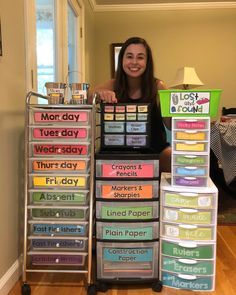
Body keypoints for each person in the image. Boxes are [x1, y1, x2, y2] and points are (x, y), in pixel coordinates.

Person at [90, 36, 171, 172]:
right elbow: (88, 95)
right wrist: (99, 94)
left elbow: (169, 124)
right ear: (122, 60)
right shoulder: (112, 84)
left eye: (140, 57)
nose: (134, 62)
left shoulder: (158, 86)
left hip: (154, 152)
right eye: (129, 56)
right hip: (116, 151)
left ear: (147, 62)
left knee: (171, 156)